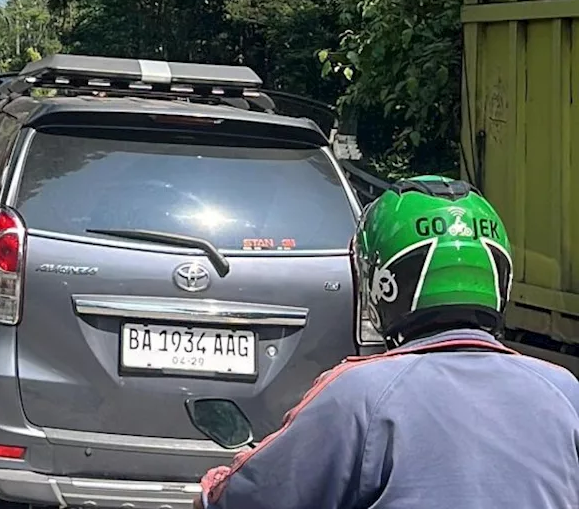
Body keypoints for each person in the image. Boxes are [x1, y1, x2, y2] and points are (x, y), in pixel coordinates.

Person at [195, 176, 579, 509]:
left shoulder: (359, 392)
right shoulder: (564, 390)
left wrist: (211, 489)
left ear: (382, 283)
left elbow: (246, 499)